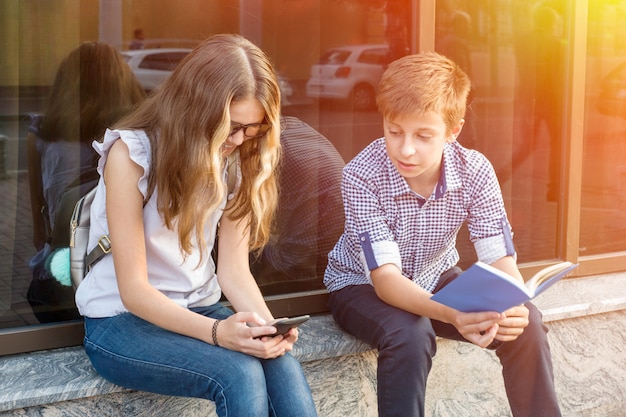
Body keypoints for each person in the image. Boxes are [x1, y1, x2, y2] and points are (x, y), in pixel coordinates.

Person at [74, 34, 317, 417]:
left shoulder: (237, 158)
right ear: (197, 107)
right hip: (121, 323)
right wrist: (221, 334)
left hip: (198, 310)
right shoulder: (132, 155)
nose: (239, 140)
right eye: (232, 126)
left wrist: (271, 331)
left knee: (281, 365)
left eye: (251, 129)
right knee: (239, 373)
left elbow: (234, 273)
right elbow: (134, 290)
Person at [324, 52, 561, 417]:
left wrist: (511, 303)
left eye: (423, 135)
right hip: (361, 287)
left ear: (454, 131)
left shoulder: (475, 170)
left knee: (526, 325)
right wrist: (453, 314)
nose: (405, 149)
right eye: (394, 131)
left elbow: (499, 257)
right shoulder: (361, 175)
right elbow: (386, 280)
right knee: (410, 335)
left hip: (436, 277)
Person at [27, 41, 145, 323]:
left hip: (64, 274)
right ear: (123, 84)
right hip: (131, 276)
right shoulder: (137, 139)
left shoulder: (41, 137)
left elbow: (38, 232)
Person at [250, 116, 345, 294]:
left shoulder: (280, 152)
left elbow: (292, 264)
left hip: (310, 272)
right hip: (331, 259)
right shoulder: (291, 127)